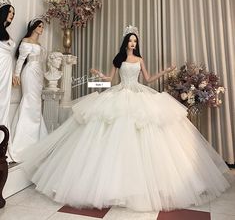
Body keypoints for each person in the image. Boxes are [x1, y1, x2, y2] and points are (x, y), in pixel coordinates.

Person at [20, 26, 232, 212]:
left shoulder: (139, 59)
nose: (133, 43)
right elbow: (109, 79)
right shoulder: (119, 58)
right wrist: (97, 74)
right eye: (130, 40)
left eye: (135, 41)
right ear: (125, 42)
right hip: (119, 92)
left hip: (138, 93)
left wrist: (165, 71)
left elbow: (148, 79)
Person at [9, 18, 48, 162]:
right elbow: (21, 59)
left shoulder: (38, 44)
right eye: (39, 26)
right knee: (29, 101)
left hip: (38, 74)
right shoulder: (26, 41)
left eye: (43, 27)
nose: (41, 29)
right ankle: (22, 143)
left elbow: (41, 61)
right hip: (29, 72)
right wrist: (16, 74)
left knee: (36, 104)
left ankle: (36, 141)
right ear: (33, 27)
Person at [0, 0, 15, 141]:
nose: (11, 14)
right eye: (9, 11)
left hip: (6, 69)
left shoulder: (6, 33)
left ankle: (2, 142)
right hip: (0, 66)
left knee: (4, 102)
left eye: (13, 13)